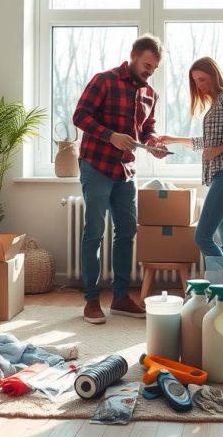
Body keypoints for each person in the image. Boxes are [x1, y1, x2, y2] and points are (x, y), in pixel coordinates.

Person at [72, 34, 170, 324]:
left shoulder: (151, 94)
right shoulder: (104, 80)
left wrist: (153, 145)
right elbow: (80, 116)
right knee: (94, 232)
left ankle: (120, 298)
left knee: (127, 231)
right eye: (147, 65)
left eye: (154, 69)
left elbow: (148, 128)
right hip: (96, 165)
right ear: (134, 56)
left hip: (126, 172)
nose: (149, 71)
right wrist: (110, 136)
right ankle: (91, 299)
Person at [158, 57, 223, 259]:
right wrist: (173, 139)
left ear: (214, 76)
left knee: (202, 237)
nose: (199, 85)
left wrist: (218, 150)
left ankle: (222, 288)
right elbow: (208, 141)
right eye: (195, 81)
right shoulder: (216, 104)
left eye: (202, 79)